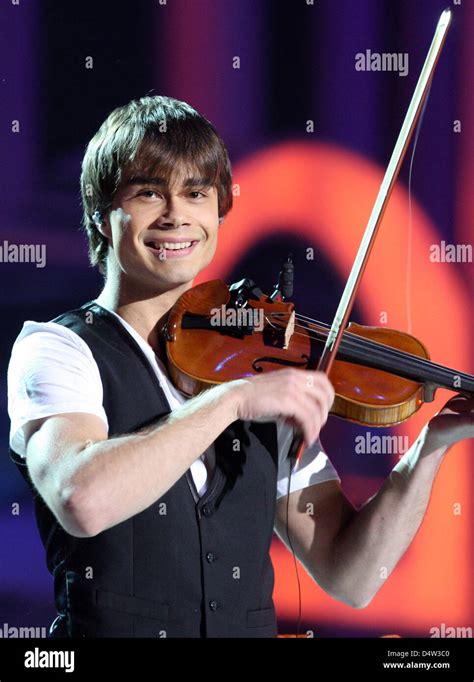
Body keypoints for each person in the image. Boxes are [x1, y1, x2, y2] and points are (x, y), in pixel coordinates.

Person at [7, 95, 474, 639]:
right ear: (102, 216)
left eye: (196, 194)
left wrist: (432, 447)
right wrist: (231, 402)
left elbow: (352, 576)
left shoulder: (255, 365)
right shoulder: (61, 349)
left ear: (220, 212)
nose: (176, 214)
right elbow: (80, 499)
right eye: (148, 193)